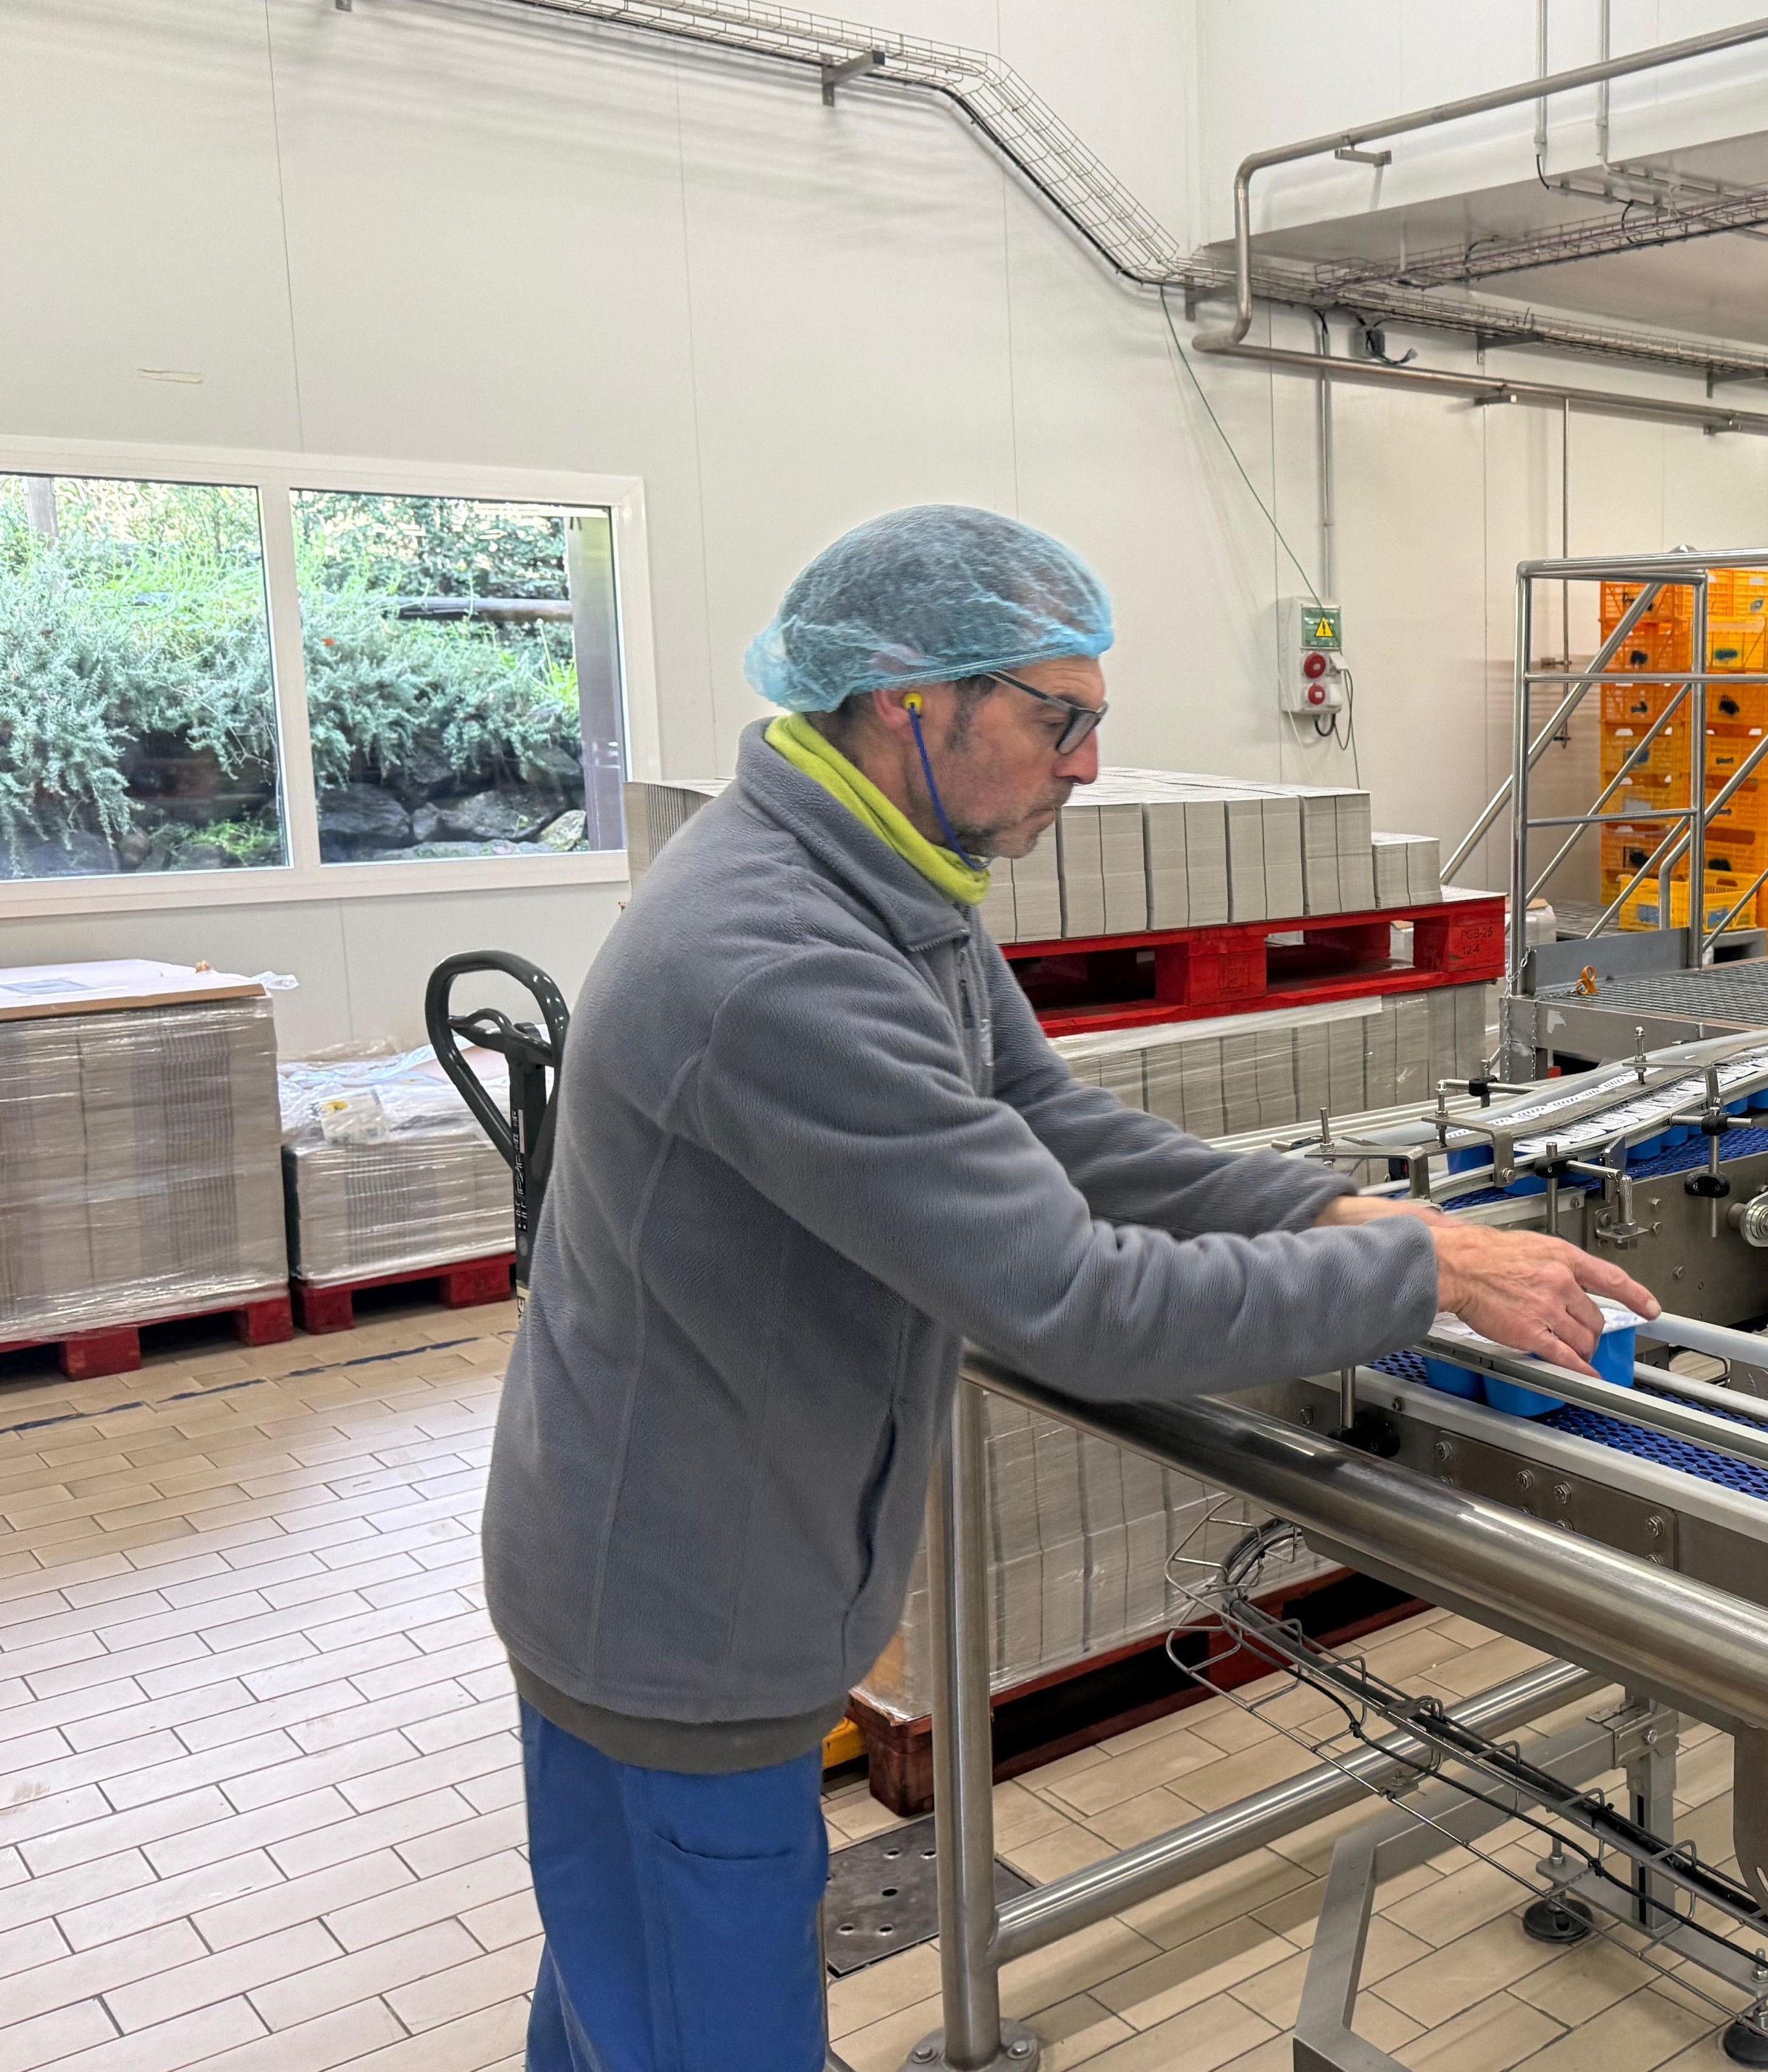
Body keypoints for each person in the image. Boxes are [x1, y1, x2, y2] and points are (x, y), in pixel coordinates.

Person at [481, 504, 1656, 2072]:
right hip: (670, 1634)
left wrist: (1330, 1203)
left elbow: (1050, 1128)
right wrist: (1412, 1270)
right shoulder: (779, 955)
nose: (1089, 763)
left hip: (692, 1572)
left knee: (619, 1999)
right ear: (911, 697)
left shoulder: (882, 880)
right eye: (1061, 717)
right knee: (696, 2019)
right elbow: (1074, 1297)